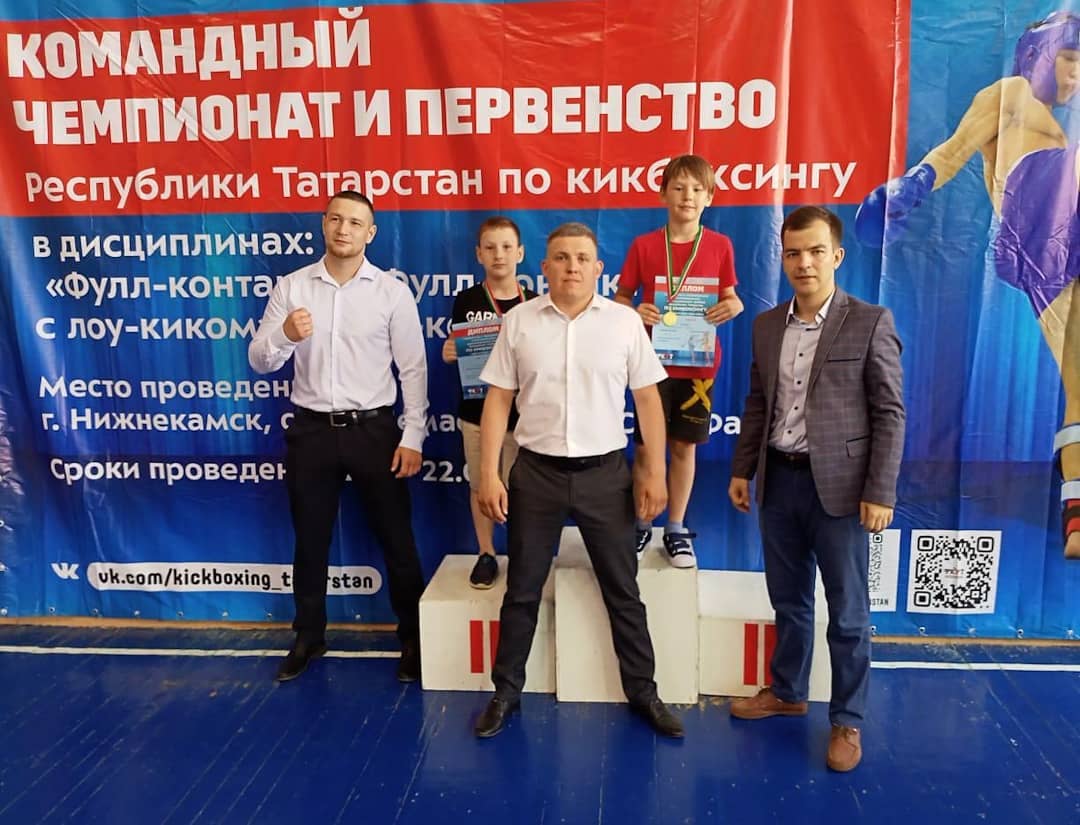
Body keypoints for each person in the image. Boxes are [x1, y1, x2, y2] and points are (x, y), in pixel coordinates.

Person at [854, 11, 1080, 559]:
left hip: (1059, 244)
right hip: (1039, 225)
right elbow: (955, 150)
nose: (1075, 75)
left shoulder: (1059, 125)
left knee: (1078, 380)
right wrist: (909, 188)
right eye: (1069, 60)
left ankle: (1075, 515)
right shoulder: (1011, 94)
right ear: (1039, 57)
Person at [471, 222, 683, 739]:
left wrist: (655, 471)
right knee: (521, 590)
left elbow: (648, 400)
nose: (572, 267)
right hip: (535, 474)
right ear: (544, 267)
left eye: (582, 258)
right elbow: (497, 400)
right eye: (561, 258)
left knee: (623, 591)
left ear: (597, 268)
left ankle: (644, 692)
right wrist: (488, 473)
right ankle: (505, 692)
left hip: (605, 477)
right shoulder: (519, 322)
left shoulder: (624, 323)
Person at [727, 206, 905, 772]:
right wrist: (742, 469)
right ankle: (788, 691)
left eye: (815, 251)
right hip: (779, 482)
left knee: (848, 614)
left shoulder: (870, 321)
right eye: (793, 253)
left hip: (843, 492)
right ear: (782, 258)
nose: (804, 262)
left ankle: (847, 720)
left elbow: (890, 413)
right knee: (789, 600)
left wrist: (880, 491)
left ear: (837, 256)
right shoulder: (765, 326)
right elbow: (759, 403)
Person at [248, 190, 428, 684]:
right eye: (335, 219)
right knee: (310, 539)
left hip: (375, 430)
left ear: (370, 233)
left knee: (397, 538)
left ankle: (414, 638)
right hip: (311, 431)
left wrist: (413, 434)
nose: (343, 229)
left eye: (354, 222)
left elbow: (413, 368)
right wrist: (284, 334)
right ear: (323, 224)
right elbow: (259, 359)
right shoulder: (292, 287)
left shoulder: (390, 292)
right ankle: (309, 636)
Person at [615, 154, 743, 568]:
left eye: (697, 189)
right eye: (679, 187)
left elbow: (729, 297)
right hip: (650, 365)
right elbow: (621, 299)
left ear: (709, 198)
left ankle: (675, 527)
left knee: (684, 446)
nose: (688, 196)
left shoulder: (720, 245)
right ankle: (641, 523)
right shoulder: (644, 245)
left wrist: (734, 305)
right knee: (647, 448)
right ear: (663, 194)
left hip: (698, 365)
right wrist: (635, 311)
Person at [442, 217, 536, 589]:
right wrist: (451, 351)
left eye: (507, 247)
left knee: (522, 490)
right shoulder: (466, 300)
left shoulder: (534, 302)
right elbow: (462, 349)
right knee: (483, 483)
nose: (499, 255)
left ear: (520, 253)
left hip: (524, 417)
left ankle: (523, 555)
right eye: (491, 248)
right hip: (477, 413)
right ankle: (486, 553)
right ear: (479, 254)